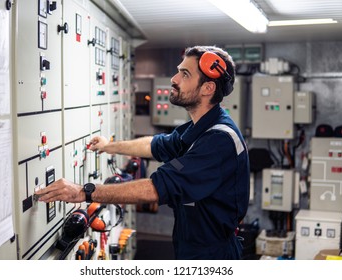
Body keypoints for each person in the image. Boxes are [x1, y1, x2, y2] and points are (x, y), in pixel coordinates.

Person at [36, 45, 250, 260]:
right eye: (178, 70)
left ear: (208, 88)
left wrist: (84, 191)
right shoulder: (198, 128)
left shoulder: (220, 139)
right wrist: (109, 146)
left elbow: (157, 189)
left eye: (185, 74)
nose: (174, 79)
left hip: (214, 255)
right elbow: (154, 145)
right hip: (192, 245)